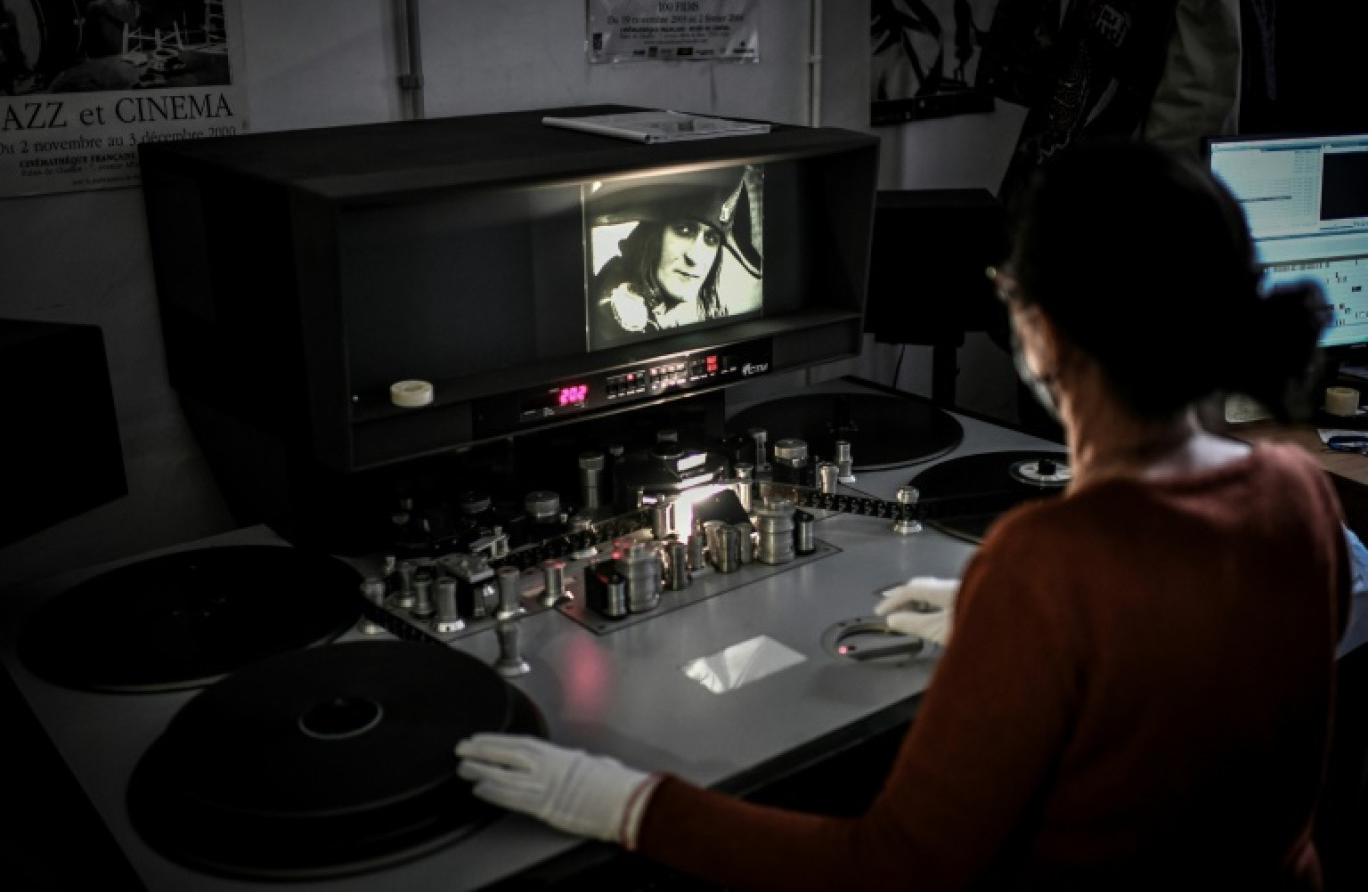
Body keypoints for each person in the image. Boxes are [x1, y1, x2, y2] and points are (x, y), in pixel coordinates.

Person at [457, 139, 1350, 889]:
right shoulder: (1298, 492)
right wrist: (1018, 642)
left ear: (1036, 330)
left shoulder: (1047, 563)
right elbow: (1194, 689)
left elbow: (891, 870)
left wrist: (621, 803)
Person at [590, 166, 762, 345]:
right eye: (684, 230)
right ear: (651, 235)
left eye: (711, 239)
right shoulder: (614, 317)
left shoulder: (665, 308)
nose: (695, 257)